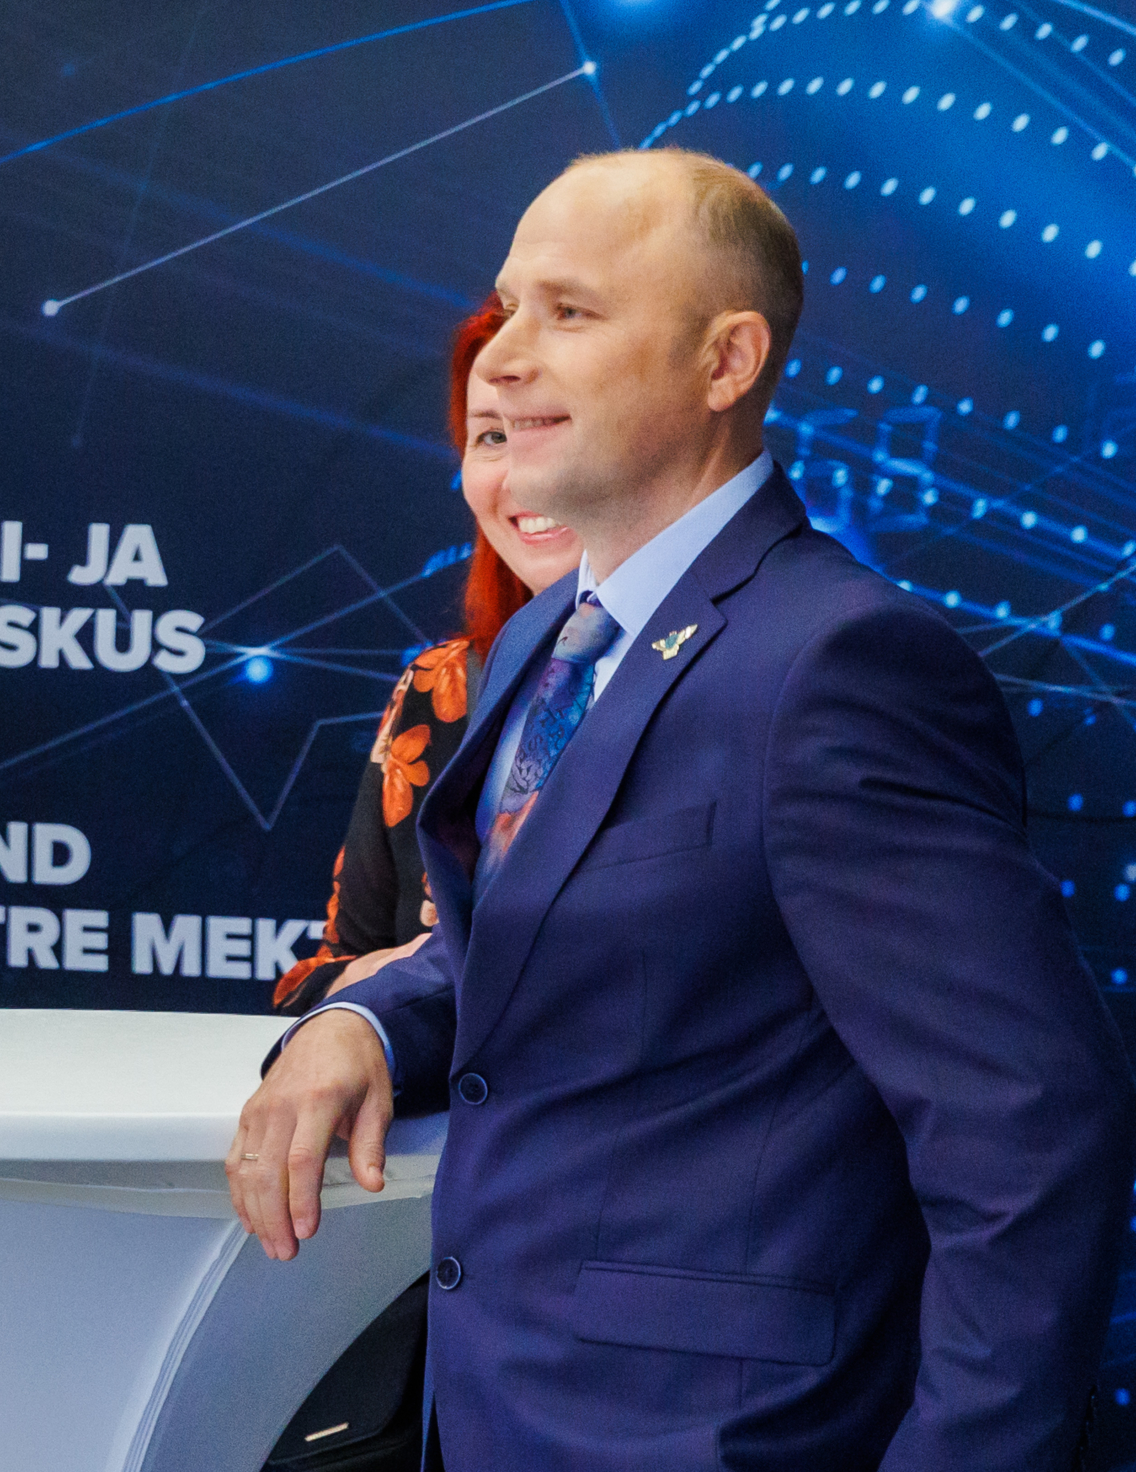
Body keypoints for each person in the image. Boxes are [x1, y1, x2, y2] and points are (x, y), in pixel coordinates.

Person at [228, 149, 1136, 1469]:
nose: (502, 357)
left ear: (726, 362)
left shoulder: (842, 665)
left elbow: (1031, 1132)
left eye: (569, 311)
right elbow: (528, 940)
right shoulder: (545, 635)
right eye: (508, 307)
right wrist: (361, 1020)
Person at [272, 299, 581, 1016]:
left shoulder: (736, 676)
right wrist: (423, 973)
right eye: (492, 436)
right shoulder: (439, 689)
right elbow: (319, 981)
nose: (523, 477)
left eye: (554, 427)